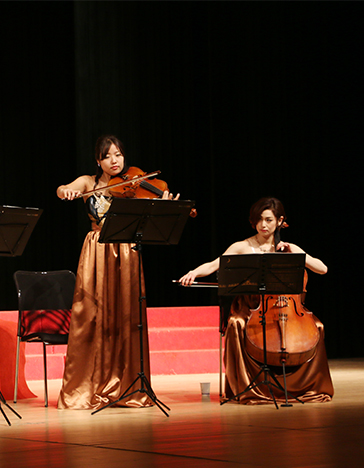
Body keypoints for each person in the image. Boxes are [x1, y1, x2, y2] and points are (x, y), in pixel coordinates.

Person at [56, 135, 177, 410]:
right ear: (98, 160)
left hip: (126, 252)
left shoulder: (134, 185)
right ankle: (87, 386)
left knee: (127, 315)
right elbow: (62, 189)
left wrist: (164, 204)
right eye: (108, 156)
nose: (114, 161)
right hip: (97, 250)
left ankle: (127, 385)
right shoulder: (88, 182)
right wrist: (66, 192)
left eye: (119, 155)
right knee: (90, 315)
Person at [179, 197, 333, 404]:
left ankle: (307, 385)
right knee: (236, 323)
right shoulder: (242, 246)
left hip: (285, 308)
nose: (263, 225)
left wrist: (295, 255)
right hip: (251, 307)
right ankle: (246, 385)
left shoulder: (289, 248)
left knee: (318, 327)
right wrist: (193, 273)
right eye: (259, 220)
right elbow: (214, 264)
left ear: (280, 221)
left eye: (269, 220)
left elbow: (322, 269)